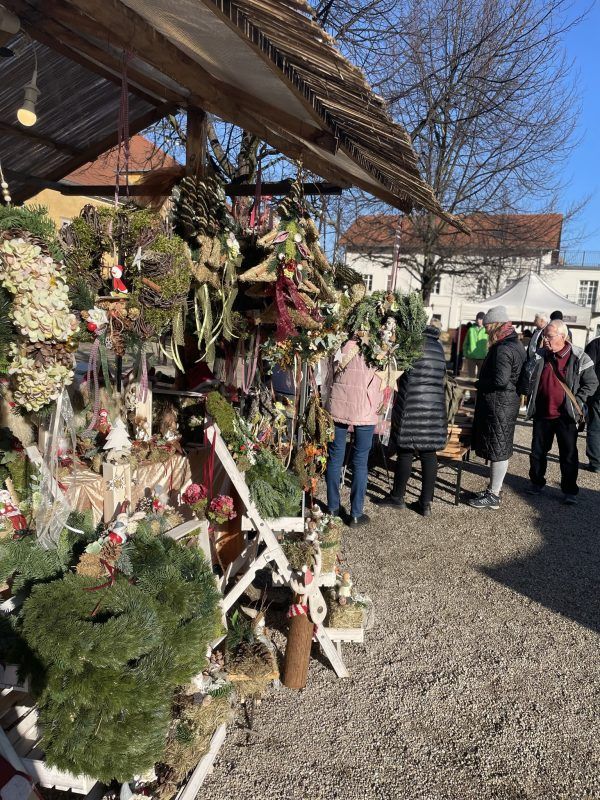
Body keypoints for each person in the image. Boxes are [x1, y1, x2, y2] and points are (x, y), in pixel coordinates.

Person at [378, 318, 447, 517]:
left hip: (411, 404)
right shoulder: (439, 348)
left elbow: (397, 373)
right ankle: (425, 503)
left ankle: (397, 496)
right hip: (434, 407)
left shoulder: (411, 345)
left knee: (406, 451)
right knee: (429, 453)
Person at [525, 320, 598, 503]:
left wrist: (577, 402)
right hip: (542, 413)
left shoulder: (579, 356)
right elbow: (528, 376)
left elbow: (592, 383)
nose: (545, 340)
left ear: (563, 337)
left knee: (568, 455)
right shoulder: (540, 354)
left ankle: (569, 491)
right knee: (537, 452)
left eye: (549, 336)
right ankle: (536, 482)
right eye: (544, 336)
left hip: (566, 416)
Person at [468, 306, 526, 509]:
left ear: (494, 325)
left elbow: (500, 380)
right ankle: (494, 489)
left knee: (498, 450)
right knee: (500, 447)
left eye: (487, 327)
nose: (485, 331)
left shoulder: (503, 348)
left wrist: (479, 383)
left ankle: (493, 495)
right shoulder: (515, 343)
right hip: (506, 403)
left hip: (499, 405)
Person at [325, 338, 384, 527]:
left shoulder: (341, 343)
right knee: (360, 462)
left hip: (338, 406)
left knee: (335, 458)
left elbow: (330, 370)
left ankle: (332, 508)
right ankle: (356, 514)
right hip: (365, 408)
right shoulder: (378, 346)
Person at [462, 312, 489, 399]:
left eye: (481, 319)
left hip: (482, 357)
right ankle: (472, 397)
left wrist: (487, 354)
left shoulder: (487, 330)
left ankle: (479, 396)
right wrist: (466, 353)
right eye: (478, 318)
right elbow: (466, 343)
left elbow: (490, 343)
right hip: (471, 357)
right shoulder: (471, 329)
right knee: (471, 378)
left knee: (480, 378)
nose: (479, 320)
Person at [584, 333, 600, 472]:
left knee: (595, 427)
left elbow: (588, 369)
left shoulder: (595, 344)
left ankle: (596, 463)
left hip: (597, 394)